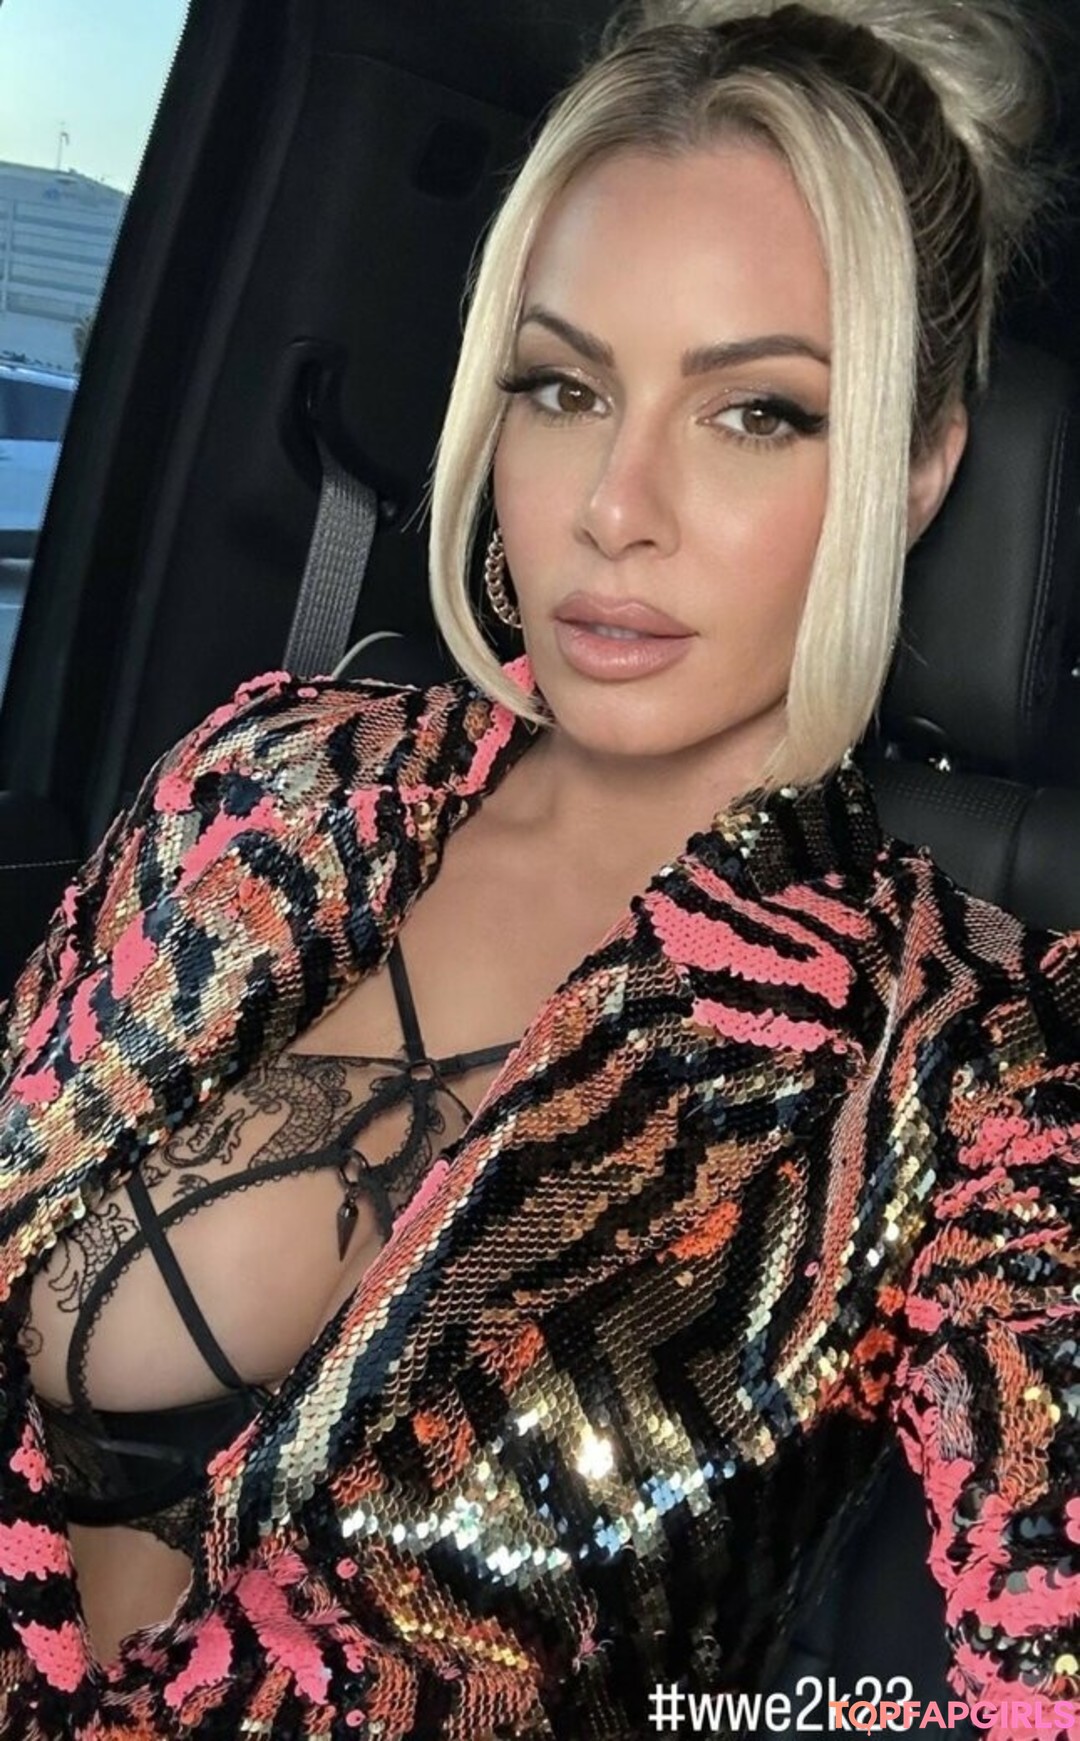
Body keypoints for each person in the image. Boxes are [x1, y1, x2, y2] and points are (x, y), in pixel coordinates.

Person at [0, 0, 1075, 1734]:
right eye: (564, 388)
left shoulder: (969, 1060)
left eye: (757, 413)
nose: (611, 505)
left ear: (918, 463)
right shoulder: (269, 775)